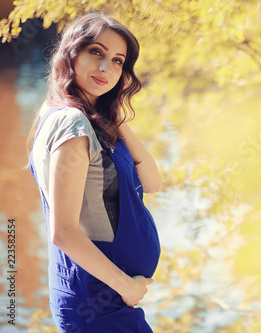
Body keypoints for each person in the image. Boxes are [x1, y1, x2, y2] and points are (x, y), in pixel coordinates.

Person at [27, 12, 162, 332]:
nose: (106, 68)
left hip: (103, 294)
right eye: (96, 52)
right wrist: (125, 286)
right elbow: (64, 231)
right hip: (98, 298)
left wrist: (116, 118)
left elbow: (153, 183)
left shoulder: (83, 119)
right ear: (72, 52)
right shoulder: (72, 126)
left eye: (118, 61)